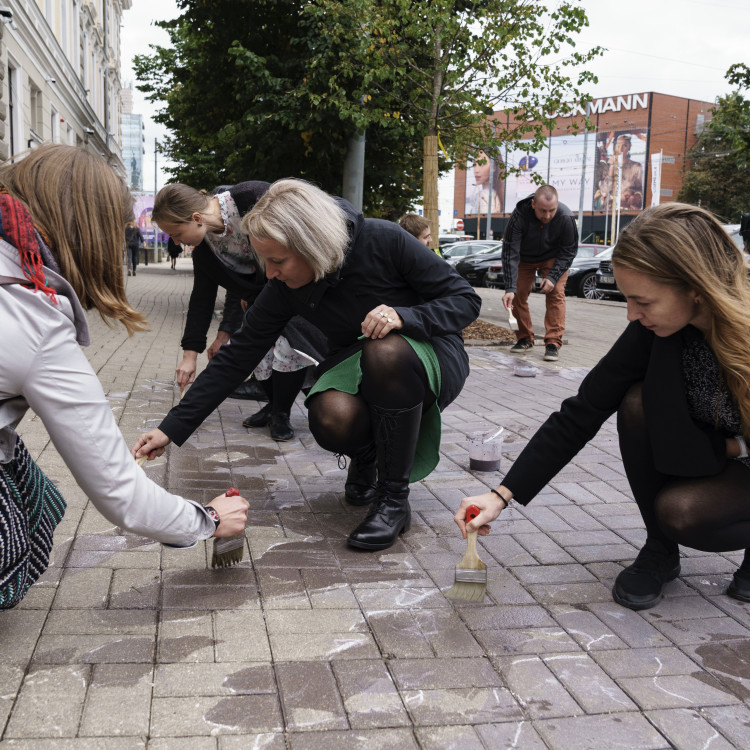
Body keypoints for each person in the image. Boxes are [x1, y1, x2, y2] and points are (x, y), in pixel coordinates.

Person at [133, 178, 481, 551]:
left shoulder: (383, 240)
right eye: (265, 260)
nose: (269, 274)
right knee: (330, 414)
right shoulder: (285, 286)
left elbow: (465, 300)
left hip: (427, 352)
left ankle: (393, 500)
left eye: (278, 261)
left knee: (386, 350)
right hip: (357, 361)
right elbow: (237, 357)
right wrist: (171, 427)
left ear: (311, 245)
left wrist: (405, 316)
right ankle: (369, 457)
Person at [455, 202, 750, 611]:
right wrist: (501, 495)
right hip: (711, 452)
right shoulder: (654, 331)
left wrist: (737, 450)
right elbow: (582, 411)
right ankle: (660, 550)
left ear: (695, 288)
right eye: (627, 299)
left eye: (643, 302)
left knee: (687, 513)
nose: (632, 314)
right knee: (635, 404)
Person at [0, 144, 249, 608]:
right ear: (87, 229)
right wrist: (209, 518)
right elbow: (120, 492)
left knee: (29, 480)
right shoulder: (30, 316)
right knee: (24, 509)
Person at [151, 182, 327, 441]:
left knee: (288, 351)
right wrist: (190, 355)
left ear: (196, 218)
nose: (177, 242)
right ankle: (273, 407)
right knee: (257, 357)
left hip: (296, 290)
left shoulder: (251, 197)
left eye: (176, 233)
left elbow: (298, 238)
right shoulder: (204, 251)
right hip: (260, 304)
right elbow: (202, 299)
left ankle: (281, 413)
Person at [501, 185, 578, 362]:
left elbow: (569, 251)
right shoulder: (519, 216)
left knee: (556, 292)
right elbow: (509, 252)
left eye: (552, 210)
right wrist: (509, 287)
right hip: (524, 258)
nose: (547, 216)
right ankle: (524, 338)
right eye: (543, 211)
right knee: (517, 294)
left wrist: (552, 277)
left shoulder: (565, 217)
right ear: (533, 204)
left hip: (553, 257)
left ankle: (552, 343)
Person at [464, 149, 504, 216]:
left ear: (494, 167)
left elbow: (482, 220)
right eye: (474, 164)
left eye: (482, 164)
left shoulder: (483, 195)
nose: (476, 170)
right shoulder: (495, 193)